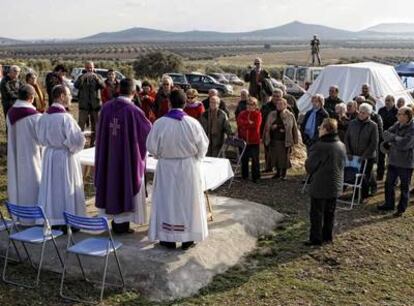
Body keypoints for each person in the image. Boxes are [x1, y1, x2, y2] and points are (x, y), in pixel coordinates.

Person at [147, 89, 209, 250]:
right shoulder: (192, 123)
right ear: (185, 104)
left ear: (169, 103)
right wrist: (195, 158)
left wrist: (159, 155)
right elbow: (203, 146)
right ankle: (188, 237)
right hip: (188, 167)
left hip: (167, 167)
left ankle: (168, 238)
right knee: (187, 202)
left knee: (167, 201)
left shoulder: (160, 123)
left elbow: (151, 147)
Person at [95, 78, 152, 234]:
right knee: (125, 183)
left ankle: (116, 222)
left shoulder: (105, 108)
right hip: (127, 160)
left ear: (119, 89)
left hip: (109, 158)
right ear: (134, 92)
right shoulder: (135, 112)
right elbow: (149, 133)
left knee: (111, 183)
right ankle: (122, 224)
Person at [37, 85, 86, 226]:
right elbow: (76, 141)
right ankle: (68, 221)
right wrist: (81, 139)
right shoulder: (66, 118)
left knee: (52, 188)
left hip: (50, 155)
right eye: (69, 94)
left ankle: (53, 218)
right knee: (66, 187)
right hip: (65, 156)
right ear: (62, 96)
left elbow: (40, 138)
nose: (71, 97)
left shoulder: (44, 117)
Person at [305, 118, 346, 245]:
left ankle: (316, 239)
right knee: (330, 212)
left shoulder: (320, 146)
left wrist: (308, 162)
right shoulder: (341, 145)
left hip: (320, 185)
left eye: (321, 127)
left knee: (316, 213)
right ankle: (328, 236)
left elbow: (310, 166)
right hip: (335, 184)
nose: (319, 129)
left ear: (327, 130)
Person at [7, 85, 42, 207]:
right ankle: (33, 217)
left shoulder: (10, 113)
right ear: (31, 97)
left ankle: (19, 214)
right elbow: (42, 140)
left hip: (15, 155)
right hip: (32, 156)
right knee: (32, 184)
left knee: (17, 183)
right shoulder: (35, 116)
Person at [378, 107, 414, 217]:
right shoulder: (397, 124)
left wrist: (392, 140)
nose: (397, 115)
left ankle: (401, 208)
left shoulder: (412, 128)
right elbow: (385, 133)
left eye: (399, 114)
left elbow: (405, 144)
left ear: (407, 116)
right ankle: (389, 204)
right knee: (389, 183)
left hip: (405, 162)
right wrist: (397, 138)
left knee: (404, 187)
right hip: (393, 160)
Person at [344, 103, 379, 203]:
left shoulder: (373, 125)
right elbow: (347, 138)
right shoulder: (352, 123)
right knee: (354, 174)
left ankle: (364, 196)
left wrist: (364, 156)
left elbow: (374, 143)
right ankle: (355, 194)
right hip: (353, 155)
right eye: (360, 112)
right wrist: (348, 152)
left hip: (367, 157)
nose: (361, 114)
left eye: (364, 113)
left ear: (368, 114)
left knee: (365, 177)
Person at [263, 98, 298, 180]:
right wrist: (271, 128)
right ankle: (278, 173)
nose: (278, 106)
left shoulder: (289, 115)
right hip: (274, 139)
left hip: (285, 140)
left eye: (281, 104)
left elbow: (293, 127)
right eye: (278, 104)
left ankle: (284, 174)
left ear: (285, 105)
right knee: (275, 157)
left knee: (284, 157)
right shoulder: (272, 114)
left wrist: (295, 139)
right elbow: (267, 126)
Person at [74, 61, 105, 146]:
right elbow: (76, 85)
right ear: (85, 68)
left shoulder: (98, 76)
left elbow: (103, 86)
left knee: (96, 125)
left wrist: (97, 79)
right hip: (84, 105)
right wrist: (82, 78)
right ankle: (79, 142)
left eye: (91, 67)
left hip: (95, 105)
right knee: (81, 125)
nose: (89, 69)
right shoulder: (81, 77)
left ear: (94, 67)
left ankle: (94, 143)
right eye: (87, 67)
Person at [236, 97, 262, 183]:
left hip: (253, 141)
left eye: (252, 104)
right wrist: (248, 123)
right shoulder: (242, 113)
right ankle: (244, 175)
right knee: (244, 158)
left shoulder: (258, 114)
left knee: (255, 160)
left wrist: (246, 124)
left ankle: (256, 177)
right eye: (248, 104)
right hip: (243, 140)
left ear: (255, 106)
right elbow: (239, 122)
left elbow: (255, 126)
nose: (249, 106)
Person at [377, 95, 398, 181]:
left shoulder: (397, 111)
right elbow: (378, 122)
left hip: (391, 138)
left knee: (392, 158)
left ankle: (393, 178)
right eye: (386, 100)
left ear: (393, 101)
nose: (387, 102)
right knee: (380, 158)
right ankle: (380, 175)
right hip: (382, 136)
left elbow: (398, 125)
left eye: (389, 100)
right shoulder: (381, 110)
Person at [261, 89, 281, 172]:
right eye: (274, 96)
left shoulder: (284, 106)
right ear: (272, 97)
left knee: (278, 151)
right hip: (267, 131)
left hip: (279, 133)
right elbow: (261, 119)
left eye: (278, 96)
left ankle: (278, 168)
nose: (276, 98)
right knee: (267, 150)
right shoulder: (266, 106)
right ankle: (268, 167)